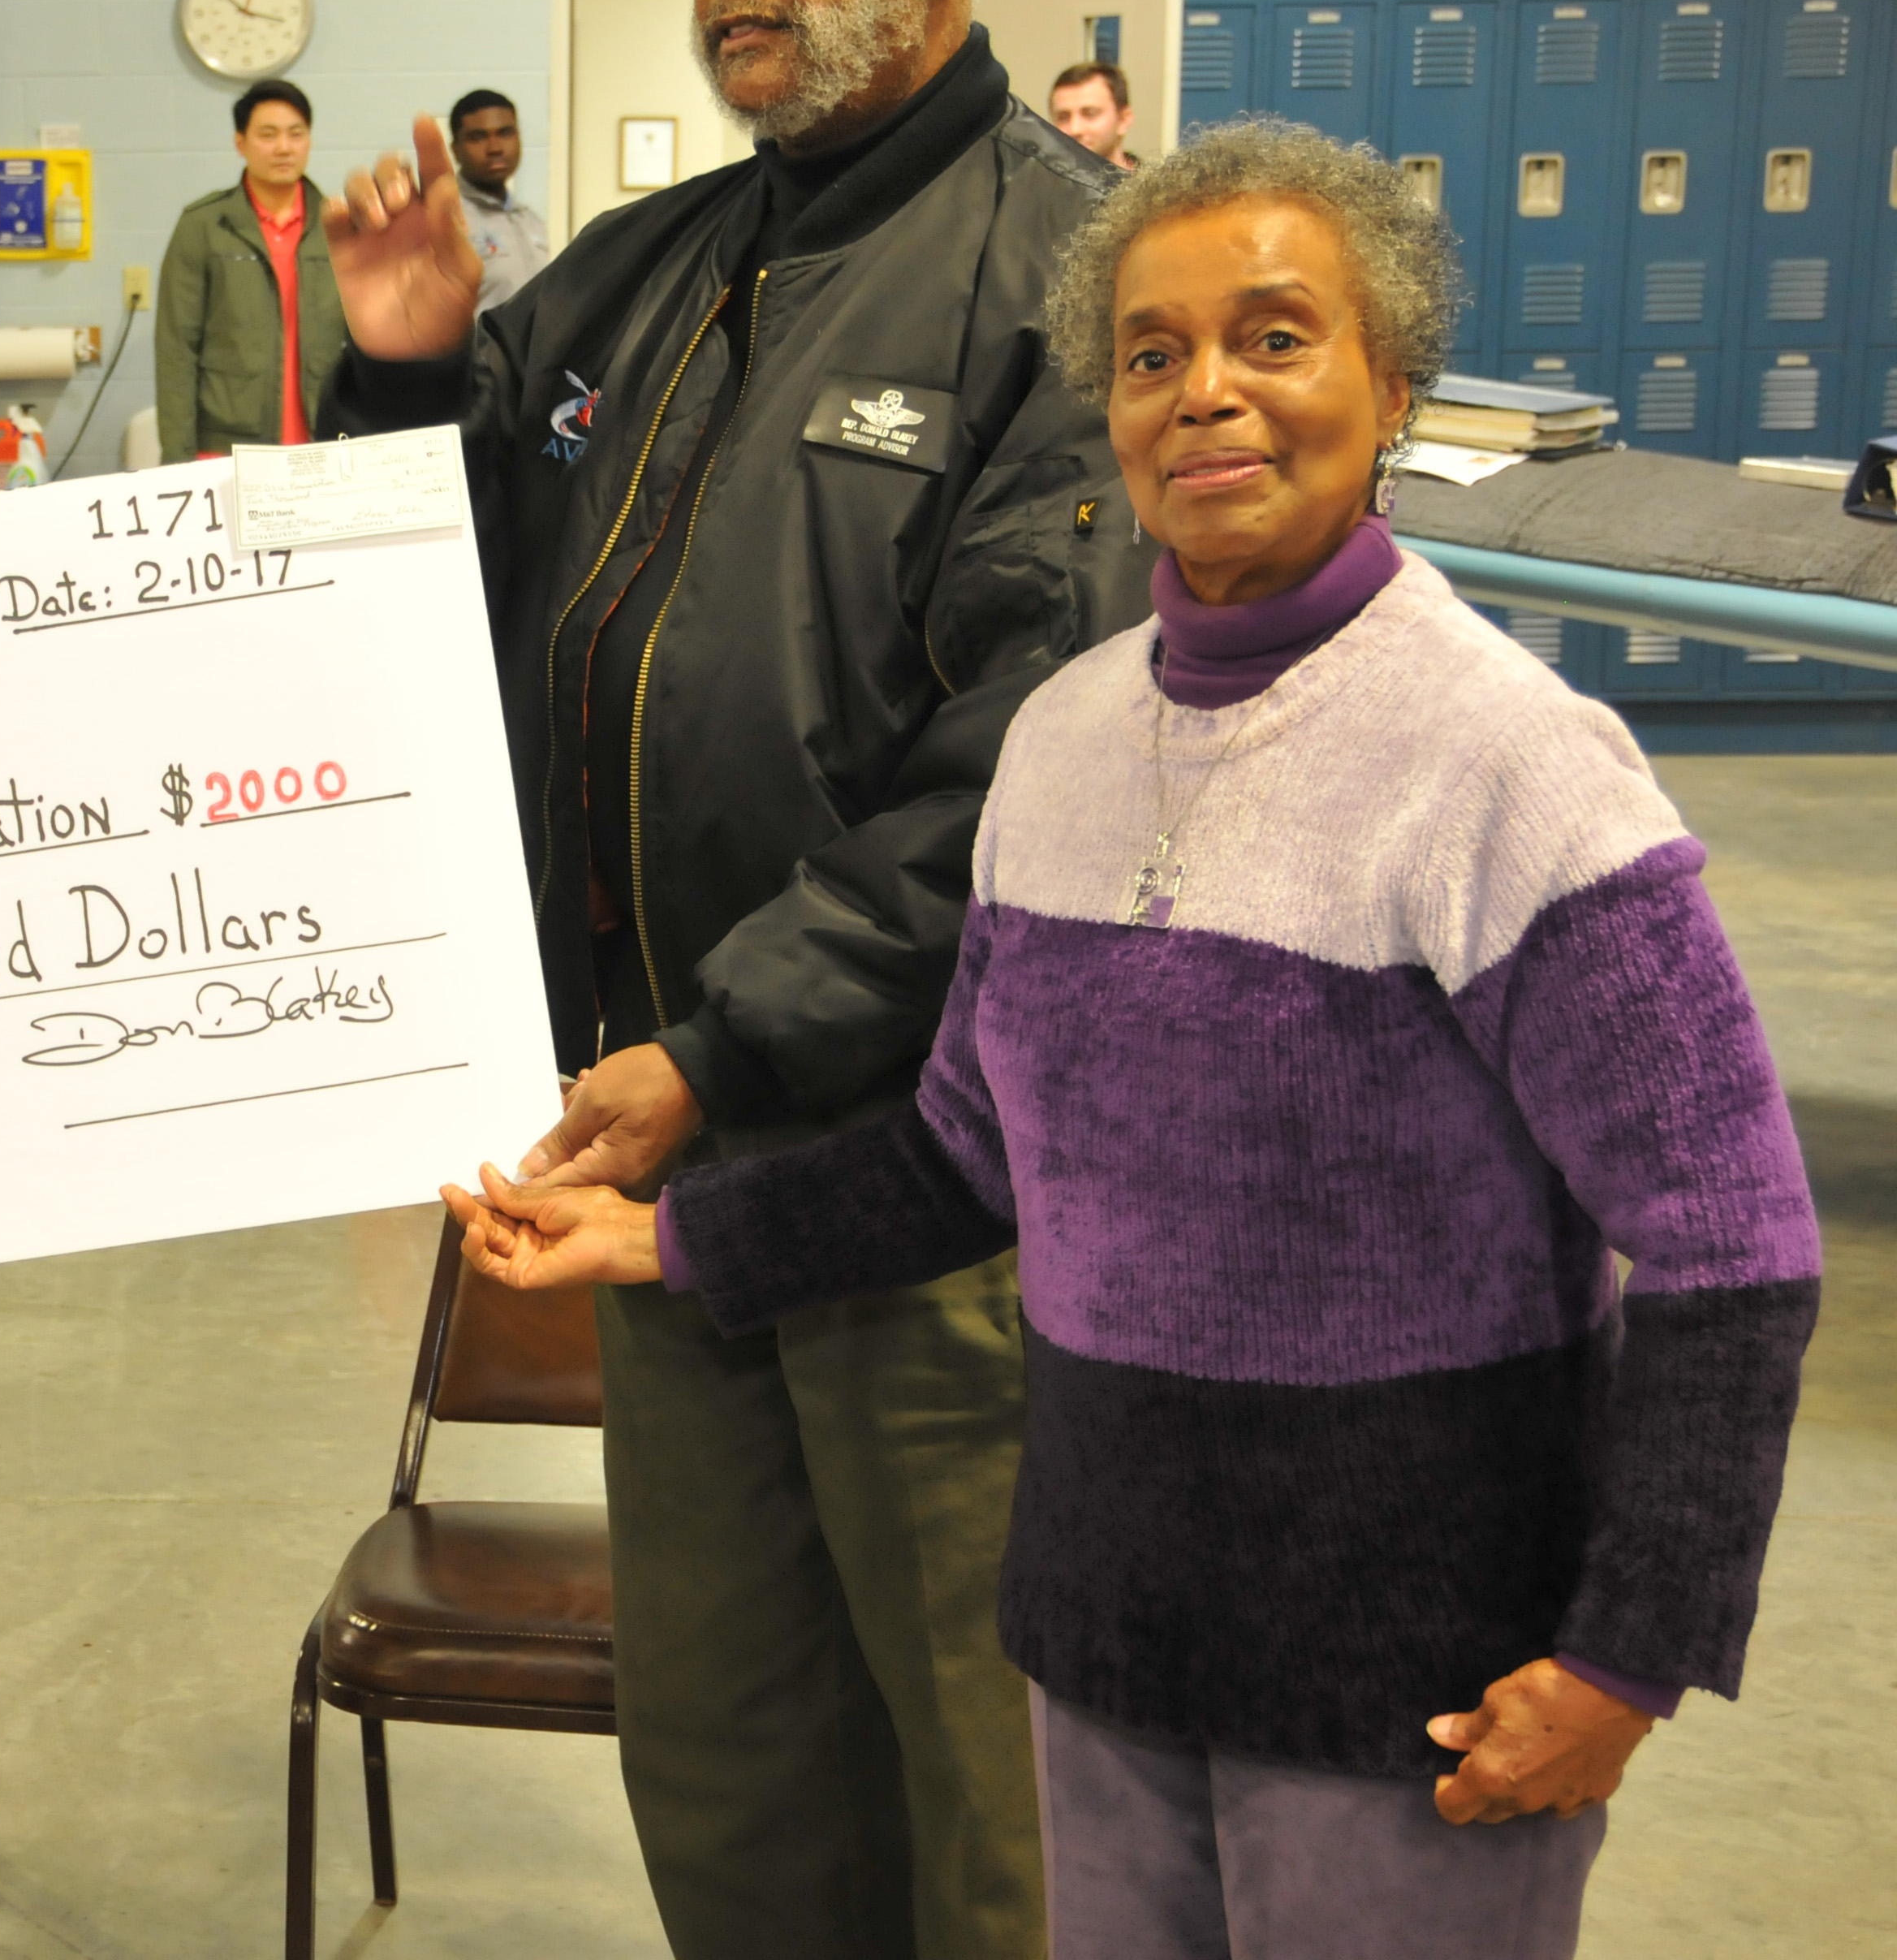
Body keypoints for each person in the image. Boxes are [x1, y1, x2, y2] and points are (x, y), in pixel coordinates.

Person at [445, 114, 1822, 1960]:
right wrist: (663, 1233)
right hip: (1098, 1651)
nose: (1204, 394)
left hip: (1407, 1689)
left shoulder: (1506, 763)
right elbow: (959, 1155)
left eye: (1271, 335)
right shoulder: (1061, 740)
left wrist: (1624, 1649)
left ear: (1387, 377)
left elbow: (1731, 1238)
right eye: (1151, 352)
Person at [316, 0, 1144, 1959]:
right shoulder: (641, 271)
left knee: (992, 1798)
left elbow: (1021, 777)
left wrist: (731, 1049)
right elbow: (434, 594)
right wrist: (402, 383)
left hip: (929, 1205)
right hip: (660, 1176)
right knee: (734, 1760)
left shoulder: (1063, 285)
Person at [153, 78, 345, 460]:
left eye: (296, 134)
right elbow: (176, 350)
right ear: (240, 143)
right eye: (268, 135)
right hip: (225, 447)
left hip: (321, 443)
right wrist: (177, 461)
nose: (284, 148)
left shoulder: (338, 226)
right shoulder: (204, 225)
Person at [447, 88, 551, 306]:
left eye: (505, 133)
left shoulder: (532, 222)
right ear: (456, 149)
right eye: (478, 137)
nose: (495, 148)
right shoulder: (448, 221)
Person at [1048, 59, 1136, 166]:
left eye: (1090, 114)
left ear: (1123, 120)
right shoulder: (1036, 182)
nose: (1075, 129)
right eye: (1063, 117)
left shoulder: (1155, 183)